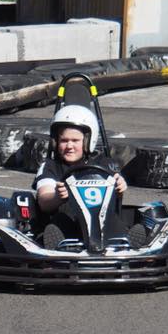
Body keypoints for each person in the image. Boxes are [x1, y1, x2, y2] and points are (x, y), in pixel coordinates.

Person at [34, 105, 128, 248]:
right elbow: (44, 200)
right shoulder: (50, 166)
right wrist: (57, 197)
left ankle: (127, 250)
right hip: (67, 225)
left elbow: (117, 188)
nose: (69, 146)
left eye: (75, 140)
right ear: (56, 142)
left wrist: (120, 186)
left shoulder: (104, 164)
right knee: (59, 222)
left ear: (87, 141)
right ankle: (57, 256)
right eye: (64, 141)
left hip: (103, 222)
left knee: (118, 222)